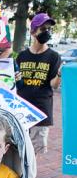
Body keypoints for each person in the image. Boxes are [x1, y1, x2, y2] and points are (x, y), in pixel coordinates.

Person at [16, 12, 62, 155]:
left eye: (49, 29)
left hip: (41, 112)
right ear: (33, 32)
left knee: (34, 153)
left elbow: (53, 85)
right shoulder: (22, 56)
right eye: (43, 29)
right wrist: (15, 78)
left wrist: (60, 74)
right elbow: (16, 84)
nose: (47, 32)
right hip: (21, 110)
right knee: (19, 150)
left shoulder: (54, 56)